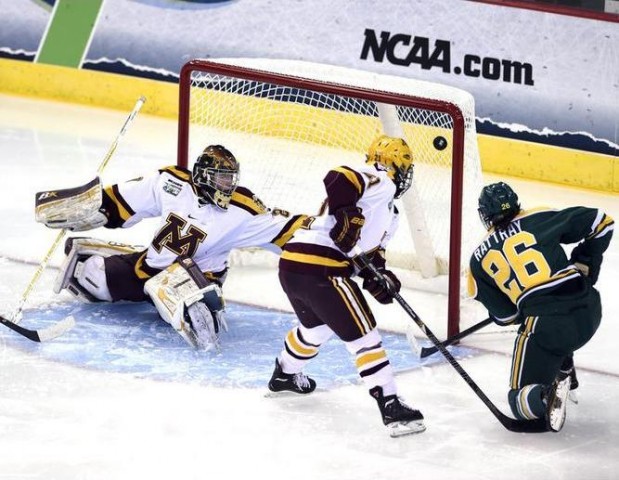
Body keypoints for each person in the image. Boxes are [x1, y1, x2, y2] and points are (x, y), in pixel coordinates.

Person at [36, 145, 306, 350]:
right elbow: (122, 201)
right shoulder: (171, 182)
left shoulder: (244, 210)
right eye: (222, 179)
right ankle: (108, 254)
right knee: (90, 277)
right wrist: (94, 210)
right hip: (148, 267)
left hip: (196, 275)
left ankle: (190, 302)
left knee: (198, 322)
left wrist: (323, 236)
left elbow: (286, 230)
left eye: (231, 179)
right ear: (203, 176)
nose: (228, 185)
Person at [266, 134, 425, 438]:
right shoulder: (382, 180)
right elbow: (339, 177)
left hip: (293, 265)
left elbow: (368, 256)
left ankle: (284, 374)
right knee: (365, 336)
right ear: (400, 167)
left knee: (316, 330)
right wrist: (346, 215)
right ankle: (391, 405)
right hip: (322, 267)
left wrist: (379, 278)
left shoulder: (388, 213)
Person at [468, 182, 614, 431]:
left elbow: (508, 317)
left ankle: (546, 397)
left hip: (549, 326)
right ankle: (565, 370)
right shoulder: (539, 216)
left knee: (519, 401)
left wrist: (521, 299)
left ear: (485, 215)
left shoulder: (477, 262)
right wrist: (585, 263)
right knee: (553, 325)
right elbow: (602, 222)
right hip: (589, 308)